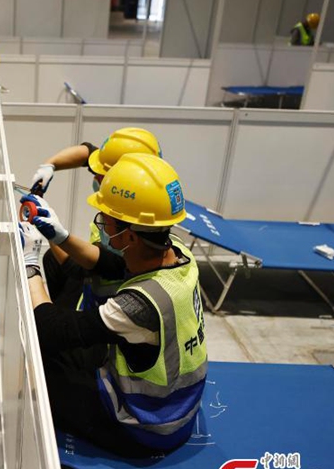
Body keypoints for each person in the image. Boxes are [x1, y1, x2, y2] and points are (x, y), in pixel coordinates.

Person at [20, 153, 207, 456]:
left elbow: (48, 326)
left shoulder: (138, 305)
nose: (102, 224)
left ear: (129, 235)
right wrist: (60, 235)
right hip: (178, 405)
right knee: (73, 347)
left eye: (105, 218)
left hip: (147, 427)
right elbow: (111, 265)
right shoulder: (177, 253)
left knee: (39, 367)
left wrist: (29, 262)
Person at [28, 128, 162, 312]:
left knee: (54, 327)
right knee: (52, 259)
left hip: (114, 302)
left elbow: (77, 266)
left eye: (101, 175)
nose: (95, 177)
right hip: (97, 274)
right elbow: (88, 153)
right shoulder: (141, 182)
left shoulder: (132, 230)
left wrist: (49, 232)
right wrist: (50, 165)